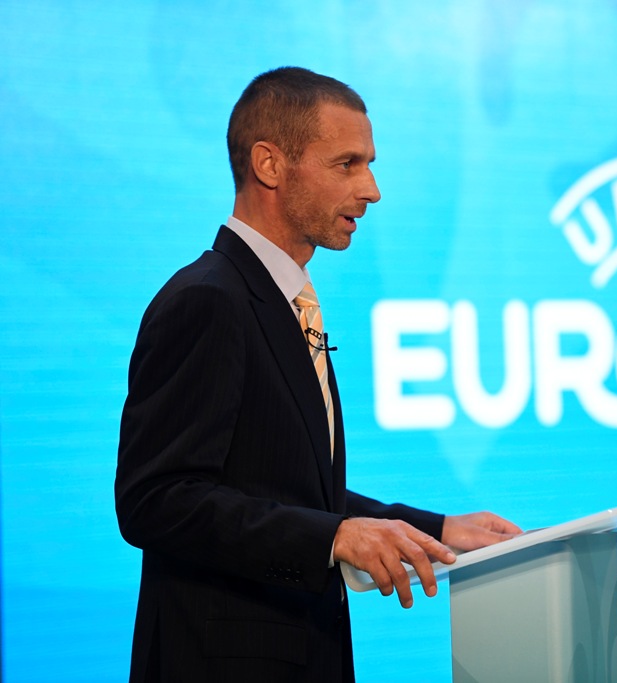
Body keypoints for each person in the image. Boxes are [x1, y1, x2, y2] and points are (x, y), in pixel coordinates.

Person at [114, 66, 521, 683]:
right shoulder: (207, 300)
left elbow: (282, 489)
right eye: (347, 164)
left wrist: (435, 531)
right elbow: (157, 501)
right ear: (270, 165)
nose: (373, 189)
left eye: (370, 163)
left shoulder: (284, 299)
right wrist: (331, 540)